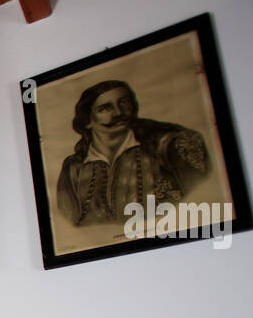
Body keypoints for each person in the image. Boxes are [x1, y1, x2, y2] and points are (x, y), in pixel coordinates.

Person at [55, 80, 210, 227]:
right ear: (87, 120)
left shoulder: (169, 146)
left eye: (123, 103)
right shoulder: (74, 168)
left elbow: (202, 201)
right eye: (105, 108)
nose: (118, 112)